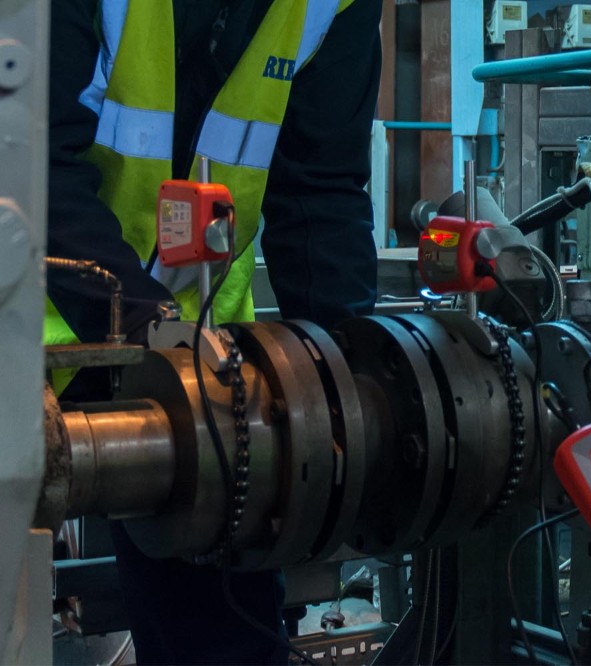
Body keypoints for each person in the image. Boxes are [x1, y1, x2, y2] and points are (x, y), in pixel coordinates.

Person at [47, 0, 381, 662]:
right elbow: (28, 160)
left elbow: (319, 192)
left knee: (225, 631)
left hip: (200, 364)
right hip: (37, 324)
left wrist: (354, 376)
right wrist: (144, 324)